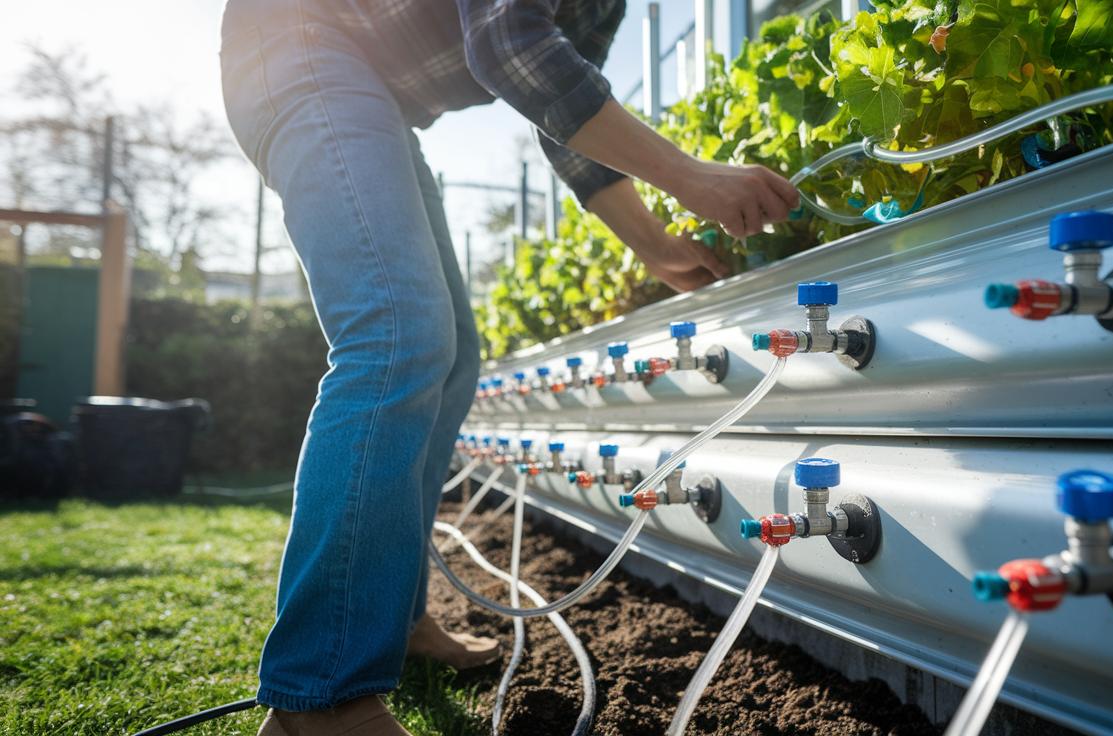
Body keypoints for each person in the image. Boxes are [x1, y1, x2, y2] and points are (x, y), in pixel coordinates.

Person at [219, 0, 799, 733]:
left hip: (367, 88)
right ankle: (322, 694)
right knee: (396, 336)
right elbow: (507, 45)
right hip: (299, 48)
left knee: (451, 357)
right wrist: (689, 175)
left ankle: (390, 619)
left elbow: (561, 110)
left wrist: (655, 247)